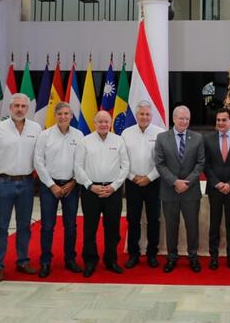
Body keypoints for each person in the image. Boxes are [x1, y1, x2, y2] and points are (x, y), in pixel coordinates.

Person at [0, 93, 42, 282]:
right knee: (1, 226)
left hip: (27, 183)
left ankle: (23, 261)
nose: (19, 109)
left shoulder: (36, 128)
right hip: (3, 183)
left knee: (25, 226)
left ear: (28, 109)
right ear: (10, 108)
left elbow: (39, 156)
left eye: (23, 106)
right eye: (16, 106)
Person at [74, 110, 130, 277]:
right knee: (90, 228)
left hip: (112, 191)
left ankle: (111, 260)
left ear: (111, 123)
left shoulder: (119, 141)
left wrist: (114, 186)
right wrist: (90, 186)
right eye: (100, 122)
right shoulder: (85, 141)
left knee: (112, 228)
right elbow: (78, 167)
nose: (104, 124)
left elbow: (125, 166)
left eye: (107, 121)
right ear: (94, 123)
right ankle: (90, 261)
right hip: (91, 191)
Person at [33, 101, 84, 278]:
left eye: (66, 114)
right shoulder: (44, 136)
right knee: (47, 226)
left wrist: (74, 181)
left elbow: (82, 161)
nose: (63, 117)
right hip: (49, 186)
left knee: (71, 225)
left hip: (71, 186)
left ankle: (70, 259)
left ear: (71, 116)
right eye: (60, 114)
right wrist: (51, 185)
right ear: (55, 116)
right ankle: (45, 261)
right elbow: (38, 162)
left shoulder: (79, 135)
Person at [154, 105, 205, 273]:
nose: (184, 121)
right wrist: (175, 182)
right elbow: (160, 163)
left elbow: (200, 163)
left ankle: (193, 257)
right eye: (181, 118)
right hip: (170, 191)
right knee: (171, 226)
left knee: (192, 226)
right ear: (174, 119)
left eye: (187, 119)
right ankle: (172, 257)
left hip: (191, 191)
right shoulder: (162, 138)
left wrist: (187, 182)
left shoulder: (198, 138)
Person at [121, 100, 165, 269]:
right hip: (132, 183)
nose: (144, 117)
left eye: (147, 114)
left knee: (154, 219)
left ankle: (152, 253)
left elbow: (162, 161)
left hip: (153, 182)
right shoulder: (126, 133)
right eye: (141, 114)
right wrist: (132, 177)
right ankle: (134, 254)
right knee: (133, 219)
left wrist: (149, 177)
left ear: (151, 116)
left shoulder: (160, 133)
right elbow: (122, 160)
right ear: (136, 115)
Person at [203, 108, 230, 270]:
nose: (220, 123)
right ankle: (213, 256)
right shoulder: (207, 140)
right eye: (218, 120)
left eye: (224, 120)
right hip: (215, 189)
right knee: (214, 224)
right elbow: (205, 164)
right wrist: (217, 183)